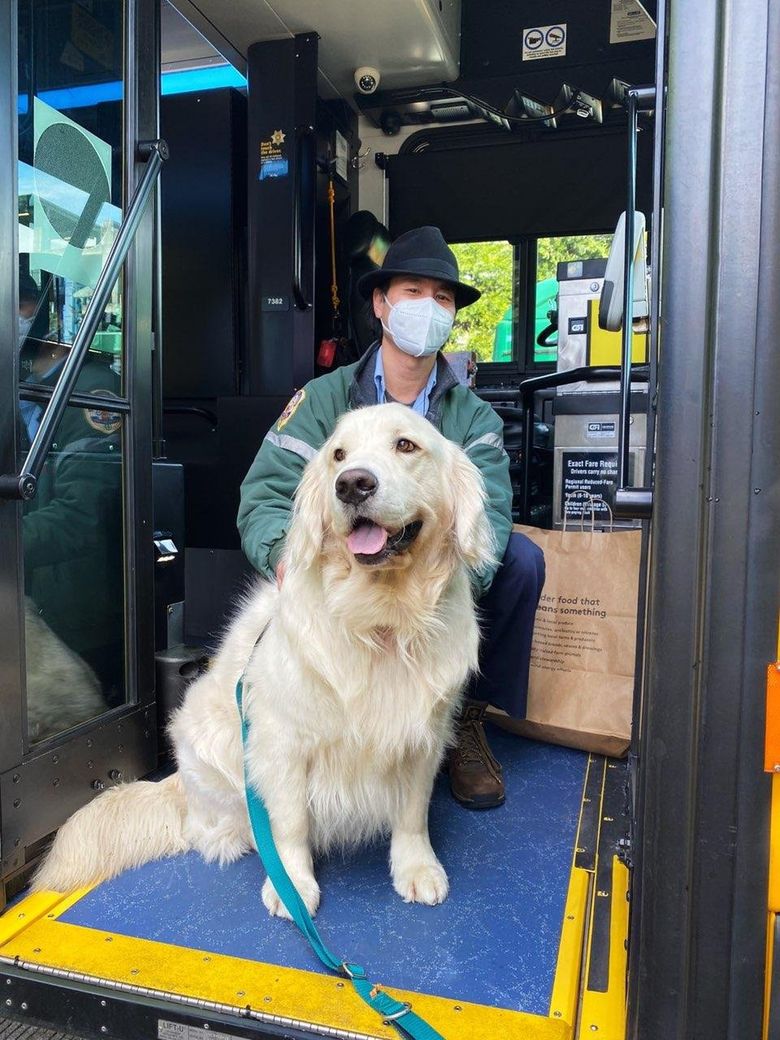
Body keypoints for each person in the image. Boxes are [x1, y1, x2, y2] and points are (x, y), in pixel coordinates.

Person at [238, 226, 545, 809]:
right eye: (411, 291)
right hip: (342, 588)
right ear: (381, 305)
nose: (428, 307)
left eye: (444, 297)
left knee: (523, 561)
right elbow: (264, 497)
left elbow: (492, 516)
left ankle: (463, 718)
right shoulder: (323, 400)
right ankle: (332, 733)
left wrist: (440, 591)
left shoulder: (473, 416)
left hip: (430, 587)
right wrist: (288, 559)